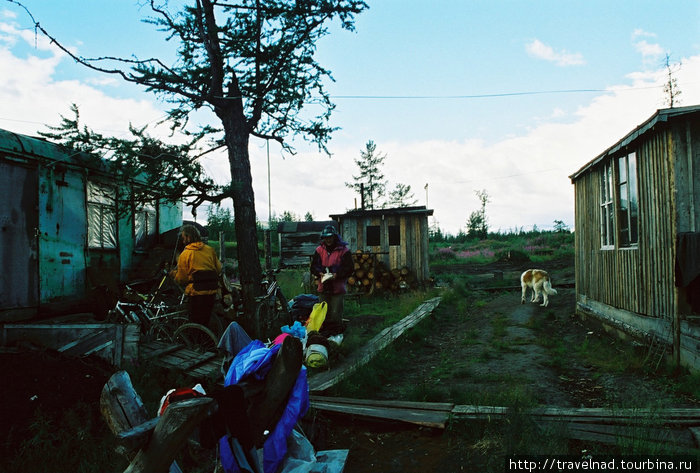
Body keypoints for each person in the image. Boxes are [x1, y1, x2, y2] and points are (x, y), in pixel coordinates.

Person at [171, 224, 222, 326]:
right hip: (211, 291)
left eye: (183, 237)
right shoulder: (209, 250)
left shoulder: (185, 254)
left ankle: (195, 340)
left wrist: (174, 274)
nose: (183, 240)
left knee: (195, 322)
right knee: (205, 320)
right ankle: (206, 338)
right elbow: (218, 269)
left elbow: (182, 279)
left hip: (196, 293)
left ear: (188, 237)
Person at [310, 225, 353, 335]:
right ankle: (324, 338)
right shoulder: (319, 250)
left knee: (335, 314)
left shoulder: (344, 251)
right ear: (323, 238)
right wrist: (319, 272)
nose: (328, 240)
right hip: (323, 287)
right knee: (323, 314)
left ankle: (336, 338)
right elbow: (314, 266)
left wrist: (337, 274)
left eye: (330, 237)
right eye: (326, 237)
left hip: (337, 288)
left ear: (334, 237)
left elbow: (349, 268)